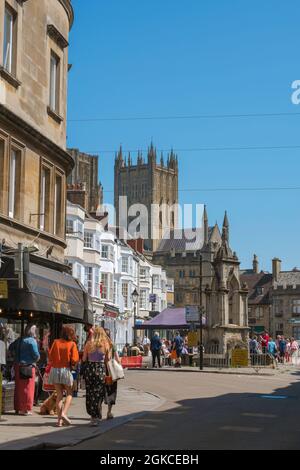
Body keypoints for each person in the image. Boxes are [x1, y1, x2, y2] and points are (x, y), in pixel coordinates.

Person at [48, 325, 79, 427]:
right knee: (69, 393)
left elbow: (50, 355)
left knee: (59, 395)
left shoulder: (55, 342)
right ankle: (64, 413)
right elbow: (75, 359)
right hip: (65, 370)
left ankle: (59, 421)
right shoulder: (72, 344)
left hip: (55, 369)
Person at [82, 327, 112, 426]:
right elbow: (108, 359)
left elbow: (84, 358)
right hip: (100, 368)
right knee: (98, 393)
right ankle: (96, 415)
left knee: (89, 392)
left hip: (90, 368)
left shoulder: (88, 344)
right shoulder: (105, 344)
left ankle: (92, 415)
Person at [9, 325, 40, 416]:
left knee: (18, 388)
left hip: (17, 366)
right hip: (28, 367)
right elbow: (36, 355)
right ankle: (26, 409)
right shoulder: (32, 341)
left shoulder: (19, 340)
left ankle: (18, 408)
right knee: (28, 388)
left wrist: (15, 356)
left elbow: (10, 347)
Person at [104, 328, 121, 420]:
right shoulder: (112, 344)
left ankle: (97, 412)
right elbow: (117, 358)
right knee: (111, 390)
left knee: (101, 390)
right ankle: (109, 412)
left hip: (102, 369)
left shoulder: (99, 344)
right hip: (111, 371)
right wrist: (119, 365)